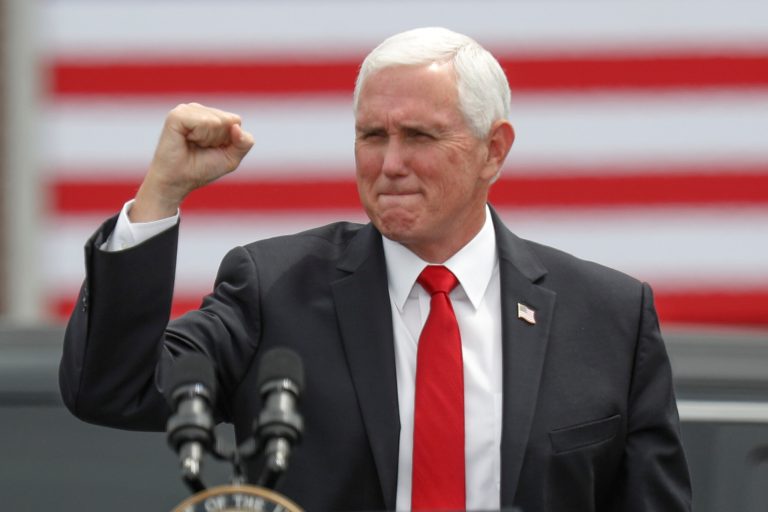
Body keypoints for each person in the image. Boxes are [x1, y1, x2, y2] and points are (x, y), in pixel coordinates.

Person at [59, 27, 691, 511]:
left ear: (493, 150)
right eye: (371, 136)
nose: (389, 164)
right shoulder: (274, 289)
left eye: (418, 136)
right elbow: (114, 388)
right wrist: (160, 196)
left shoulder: (609, 317)